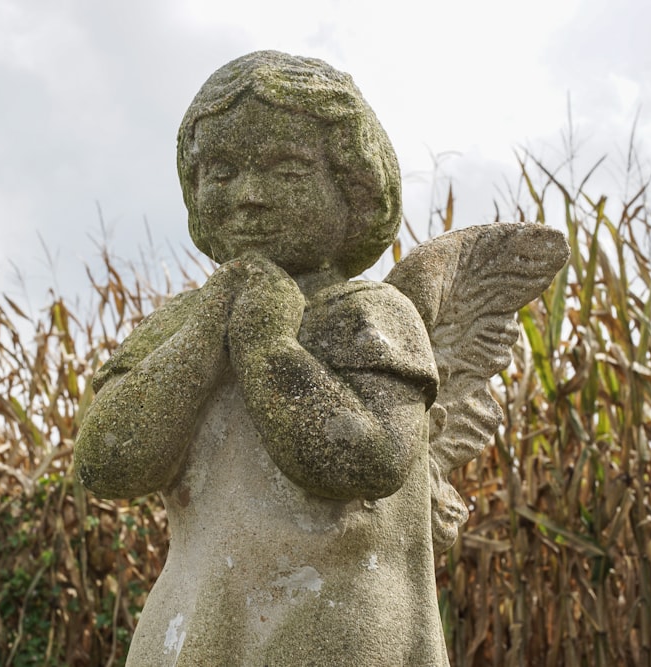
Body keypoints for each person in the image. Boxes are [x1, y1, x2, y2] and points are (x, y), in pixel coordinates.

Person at [74, 50, 448, 666]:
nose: (248, 196)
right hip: (193, 624)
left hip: (333, 625)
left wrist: (266, 345)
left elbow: (370, 461)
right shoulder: (177, 327)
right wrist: (204, 334)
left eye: (287, 171)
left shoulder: (368, 313)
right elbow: (108, 463)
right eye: (219, 173)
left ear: (353, 189)